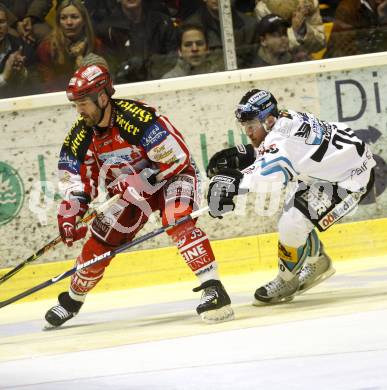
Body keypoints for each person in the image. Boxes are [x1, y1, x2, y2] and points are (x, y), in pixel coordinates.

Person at [44, 64, 234, 328]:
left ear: (102, 97)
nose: (79, 111)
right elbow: (74, 177)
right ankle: (72, 300)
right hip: (131, 193)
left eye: (83, 103)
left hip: (171, 177)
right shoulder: (81, 134)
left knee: (177, 218)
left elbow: (177, 158)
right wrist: (71, 210)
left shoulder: (138, 119)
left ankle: (213, 289)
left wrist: (146, 179)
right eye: (76, 104)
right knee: (99, 241)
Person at [206, 89, 376, 304]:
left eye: (251, 125)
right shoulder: (286, 118)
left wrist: (234, 183)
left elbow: (271, 174)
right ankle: (318, 262)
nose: (248, 132)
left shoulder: (281, 138)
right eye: (245, 126)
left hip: (349, 180)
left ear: (268, 120)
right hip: (329, 172)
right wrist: (247, 155)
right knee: (294, 215)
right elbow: (278, 151)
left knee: (292, 222)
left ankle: (287, 280)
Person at [95, 0, 178, 83]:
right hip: (124, 86)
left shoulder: (163, 23)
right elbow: (110, 68)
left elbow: (172, 59)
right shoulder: (106, 29)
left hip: (161, 82)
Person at [36, 0, 104, 93]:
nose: (69, 22)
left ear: (84, 20)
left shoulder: (95, 44)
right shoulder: (47, 48)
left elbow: (102, 78)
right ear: (58, 22)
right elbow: (48, 85)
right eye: (63, 18)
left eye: (74, 17)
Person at [254, 0, 326, 55]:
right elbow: (271, 49)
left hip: (306, 62)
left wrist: (303, 29)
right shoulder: (263, 8)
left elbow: (321, 43)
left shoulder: (309, 2)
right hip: (279, 67)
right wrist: (294, 31)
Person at [0, 4, 37, 98]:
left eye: (1, 22)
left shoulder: (24, 50)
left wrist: (22, 73)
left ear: (8, 24)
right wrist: (5, 76)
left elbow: (36, 89)